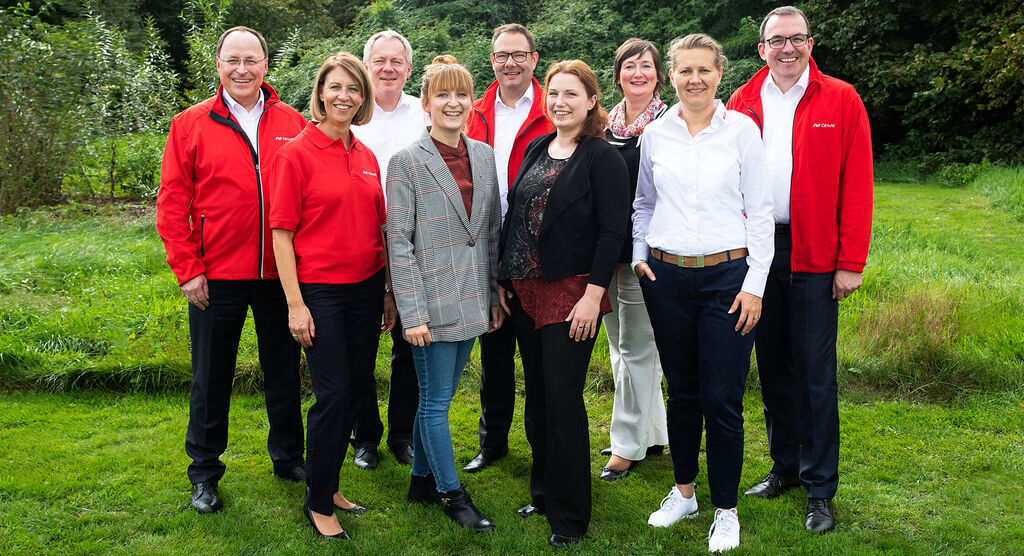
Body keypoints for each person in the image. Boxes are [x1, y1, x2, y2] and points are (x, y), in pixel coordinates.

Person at [726, 5, 873, 533]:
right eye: (776, 41)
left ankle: (819, 488)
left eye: (797, 39)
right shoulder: (741, 101)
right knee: (772, 368)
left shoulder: (840, 97)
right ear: (761, 48)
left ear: (810, 44)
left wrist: (850, 261)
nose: (787, 48)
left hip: (815, 255)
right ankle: (784, 467)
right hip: (758, 254)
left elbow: (857, 183)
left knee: (814, 373)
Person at [156, 25, 307, 515]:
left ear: (266, 65)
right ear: (218, 64)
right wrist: (188, 269)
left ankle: (288, 457)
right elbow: (172, 201)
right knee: (211, 375)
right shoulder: (191, 123)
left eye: (252, 60)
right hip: (215, 275)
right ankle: (204, 472)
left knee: (284, 371)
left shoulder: (293, 121)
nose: (242, 69)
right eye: (232, 60)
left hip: (277, 275)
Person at [634, 34, 773, 553]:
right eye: (685, 70)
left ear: (720, 74)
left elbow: (759, 213)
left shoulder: (741, 131)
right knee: (683, 392)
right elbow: (644, 203)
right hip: (666, 280)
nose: (695, 79)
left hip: (728, 281)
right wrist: (639, 253)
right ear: (672, 75)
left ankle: (726, 509)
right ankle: (684, 491)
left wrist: (755, 285)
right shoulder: (656, 134)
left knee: (722, 398)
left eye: (704, 70)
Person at [498, 59, 628, 548]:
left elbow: (614, 231)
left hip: (573, 295)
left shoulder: (602, 157)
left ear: (591, 100)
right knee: (539, 400)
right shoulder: (537, 147)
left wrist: (594, 296)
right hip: (526, 291)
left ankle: (571, 516)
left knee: (563, 401)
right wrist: (503, 281)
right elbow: (519, 218)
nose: (560, 102)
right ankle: (545, 491)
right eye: (553, 93)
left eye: (571, 94)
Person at [269, 51, 396, 540]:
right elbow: (282, 234)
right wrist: (296, 305)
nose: (344, 96)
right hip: (319, 292)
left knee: (356, 389)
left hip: (366, 290)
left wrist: (385, 290)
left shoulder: (364, 156)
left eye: (354, 89)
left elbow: (377, 228)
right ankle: (319, 502)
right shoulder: (296, 153)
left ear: (363, 98)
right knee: (333, 395)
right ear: (320, 92)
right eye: (335, 87)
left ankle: (332, 484)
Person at [387, 55, 503, 532]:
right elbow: (398, 242)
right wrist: (411, 313)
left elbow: (490, 232)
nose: (453, 103)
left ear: (472, 103)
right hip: (429, 306)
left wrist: (494, 295)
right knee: (436, 404)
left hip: (473, 297)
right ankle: (452, 494)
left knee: (442, 394)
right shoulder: (406, 162)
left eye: (461, 94)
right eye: (443, 94)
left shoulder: (484, 155)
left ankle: (418, 480)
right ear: (426, 103)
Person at [463, 23, 553, 473]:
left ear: (534, 59)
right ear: (492, 60)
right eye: (502, 55)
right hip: (486, 248)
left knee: (538, 361)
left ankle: (542, 445)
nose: (510, 63)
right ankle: (492, 440)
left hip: (539, 255)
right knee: (494, 353)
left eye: (519, 55)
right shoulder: (474, 112)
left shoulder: (552, 107)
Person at [350, 29, 429, 470]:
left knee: (408, 346)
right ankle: (365, 436)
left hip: (413, 246)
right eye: (379, 60)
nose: (387, 69)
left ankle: (403, 434)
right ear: (367, 65)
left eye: (396, 61)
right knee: (360, 346)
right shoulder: (348, 113)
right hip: (359, 242)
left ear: (409, 68)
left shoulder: (423, 113)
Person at [598, 37, 671, 482]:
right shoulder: (604, 123)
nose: (637, 73)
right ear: (618, 74)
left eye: (646, 66)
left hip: (648, 252)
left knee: (638, 348)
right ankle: (654, 431)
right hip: (608, 250)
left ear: (658, 74)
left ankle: (626, 445)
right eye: (629, 66)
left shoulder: (670, 122)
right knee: (617, 345)